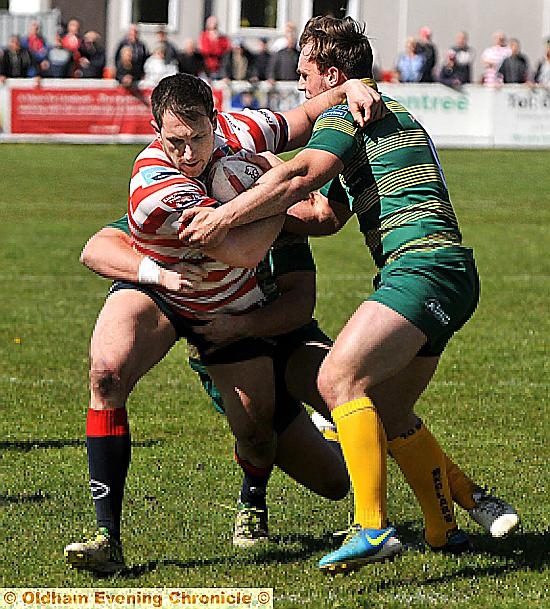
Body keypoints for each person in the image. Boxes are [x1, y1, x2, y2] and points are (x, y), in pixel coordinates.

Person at [179, 16, 519, 572]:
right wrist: (268, 201)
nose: (302, 87)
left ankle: (372, 527)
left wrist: (224, 217)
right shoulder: (387, 115)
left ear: (333, 74)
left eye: (305, 74)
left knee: (338, 377)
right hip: (452, 272)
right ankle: (446, 525)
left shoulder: (345, 113)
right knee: (387, 406)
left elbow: (299, 180)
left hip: (421, 266)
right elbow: (323, 214)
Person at [63, 71, 383, 573]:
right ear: (154, 130)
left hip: (228, 304)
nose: (188, 155)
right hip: (164, 288)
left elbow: (301, 119)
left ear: (216, 121)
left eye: (197, 139)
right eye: (174, 142)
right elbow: (244, 247)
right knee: (106, 371)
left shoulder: (242, 130)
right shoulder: (154, 185)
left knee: (258, 431)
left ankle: (254, 495)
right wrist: (274, 186)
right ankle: (107, 537)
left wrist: (352, 89)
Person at [84, 214, 520, 553]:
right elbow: (100, 246)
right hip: (228, 351)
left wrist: (244, 324)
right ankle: (253, 497)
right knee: (315, 470)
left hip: (285, 340)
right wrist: (156, 278)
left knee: (360, 395)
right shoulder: (189, 209)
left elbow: (299, 302)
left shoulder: (276, 218)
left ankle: (467, 495)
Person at [198, 15, 230, 79]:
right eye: (211, 23)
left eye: (215, 24)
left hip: (220, 67)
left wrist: (216, 41)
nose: (213, 25)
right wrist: (213, 42)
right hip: (206, 67)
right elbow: (205, 51)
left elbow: (225, 51)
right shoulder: (204, 36)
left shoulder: (222, 38)